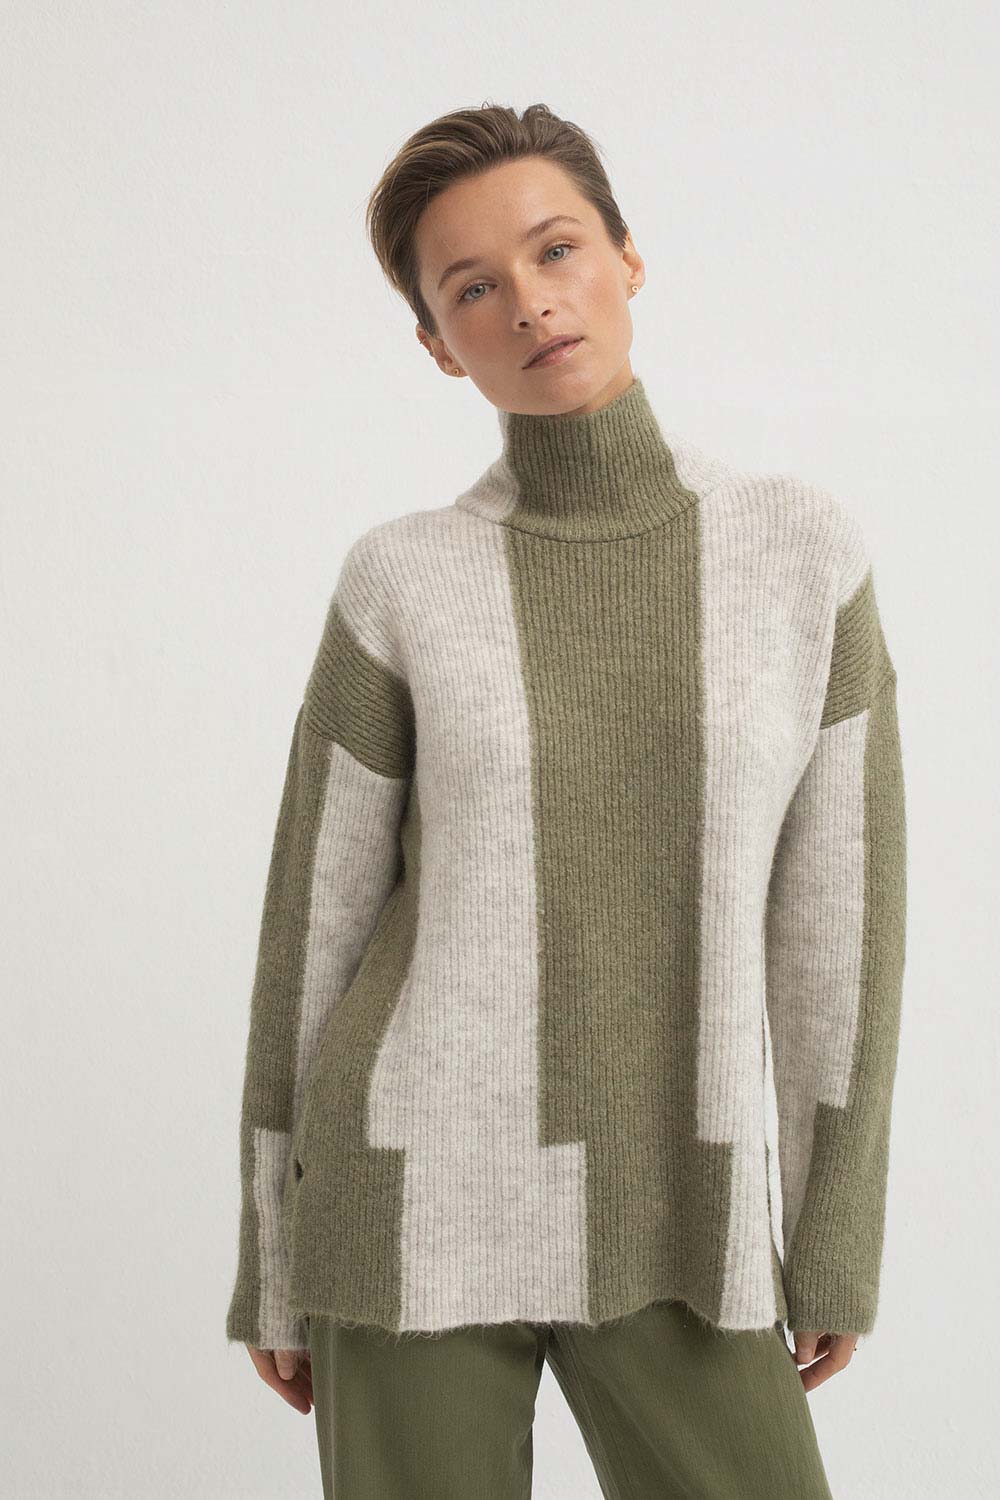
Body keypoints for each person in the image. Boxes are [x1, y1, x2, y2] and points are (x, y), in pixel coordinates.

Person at [225, 102, 907, 1498]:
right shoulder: (401, 580)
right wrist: (272, 1258)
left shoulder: (800, 555)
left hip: (682, 1200)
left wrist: (834, 1224)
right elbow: (313, 932)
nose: (530, 303)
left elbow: (840, 929)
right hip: (405, 1201)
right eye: (473, 287)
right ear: (437, 343)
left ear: (627, 257)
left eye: (556, 250)